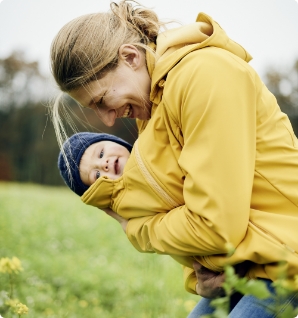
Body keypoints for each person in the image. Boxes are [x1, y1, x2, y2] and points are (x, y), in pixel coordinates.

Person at [50, 0, 298, 316]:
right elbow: (180, 200)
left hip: (287, 254)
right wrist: (198, 279)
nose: (108, 119)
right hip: (249, 262)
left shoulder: (204, 75)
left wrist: (137, 230)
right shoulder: (152, 109)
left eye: (102, 100)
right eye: (94, 109)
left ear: (130, 57)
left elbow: (213, 227)